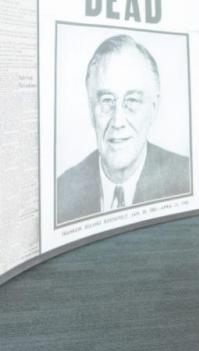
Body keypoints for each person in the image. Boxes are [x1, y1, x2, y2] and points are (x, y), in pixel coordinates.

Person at [56, 34, 191, 224]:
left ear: (154, 107)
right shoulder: (61, 192)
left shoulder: (186, 178)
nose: (118, 121)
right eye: (106, 101)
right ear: (90, 110)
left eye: (132, 100)